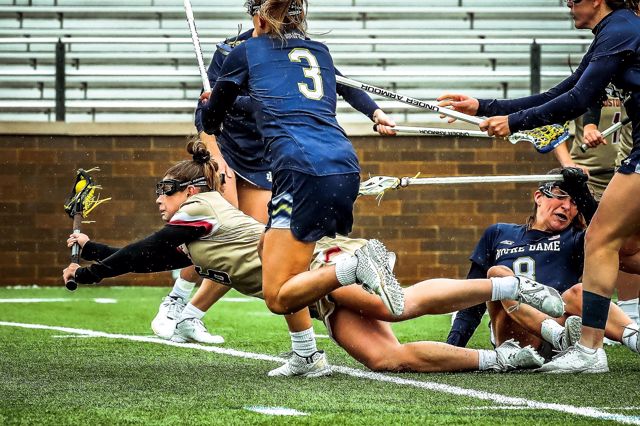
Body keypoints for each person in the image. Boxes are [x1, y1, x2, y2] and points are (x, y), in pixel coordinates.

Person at [63, 144, 569, 374]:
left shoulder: (200, 208)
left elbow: (149, 246)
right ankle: (504, 359)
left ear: (189, 190)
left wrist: (93, 273)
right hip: (314, 288)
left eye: (165, 191)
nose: (159, 200)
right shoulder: (190, 235)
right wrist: (91, 252)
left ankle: (513, 288)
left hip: (318, 267)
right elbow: (148, 258)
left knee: (396, 306)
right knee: (384, 358)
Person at [152, 15, 399, 344]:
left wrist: (376, 113)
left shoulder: (300, 49)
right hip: (228, 148)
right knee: (216, 234)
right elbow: (205, 113)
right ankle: (176, 300)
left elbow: (341, 83)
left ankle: (191, 315)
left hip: (267, 154)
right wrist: (214, 151)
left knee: (255, 246)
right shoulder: (234, 50)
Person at [438, 0, 640, 372]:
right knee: (626, 249)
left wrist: (514, 123)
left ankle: (589, 351)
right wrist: (484, 106)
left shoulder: (621, 29)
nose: (568, 3)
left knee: (600, 240)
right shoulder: (615, 31)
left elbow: (577, 100)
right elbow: (558, 94)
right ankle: (608, 342)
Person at [446, 169, 640, 368]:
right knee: (498, 274)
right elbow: (472, 301)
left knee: (580, 292)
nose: (567, 206)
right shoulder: (497, 233)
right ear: (538, 197)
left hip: (562, 328)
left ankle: (634, 338)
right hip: (517, 338)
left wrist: (584, 197)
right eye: (560, 196)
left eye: (574, 202)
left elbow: (608, 235)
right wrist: (453, 347)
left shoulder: (576, 238)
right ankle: (554, 335)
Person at [555, 98, 640, 331]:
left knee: (625, 244)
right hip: (586, 177)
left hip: (623, 173)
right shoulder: (587, 86)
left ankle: (629, 314)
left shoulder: (629, 88)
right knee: (593, 244)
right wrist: (568, 163)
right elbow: (553, 125)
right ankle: (587, 314)